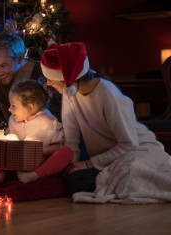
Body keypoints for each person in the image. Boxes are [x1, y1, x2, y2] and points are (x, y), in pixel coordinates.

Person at [40, 42, 171, 199]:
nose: (47, 83)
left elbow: (129, 143)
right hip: (106, 160)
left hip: (136, 151)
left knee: (128, 181)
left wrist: (88, 164)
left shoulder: (109, 95)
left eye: (49, 79)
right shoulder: (70, 93)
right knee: (73, 180)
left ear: (65, 79)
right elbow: (72, 141)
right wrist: (71, 166)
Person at [0, 79, 73, 183]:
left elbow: (59, 146)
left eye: (13, 106)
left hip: (39, 163)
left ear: (29, 107)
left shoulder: (47, 121)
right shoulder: (13, 120)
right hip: (14, 164)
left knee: (66, 153)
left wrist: (33, 150)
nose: (9, 109)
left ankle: (35, 175)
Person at [0, 31, 62, 123]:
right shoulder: (0, 86)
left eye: (3, 66)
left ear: (19, 58)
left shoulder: (46, 74)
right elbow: (13, 122)